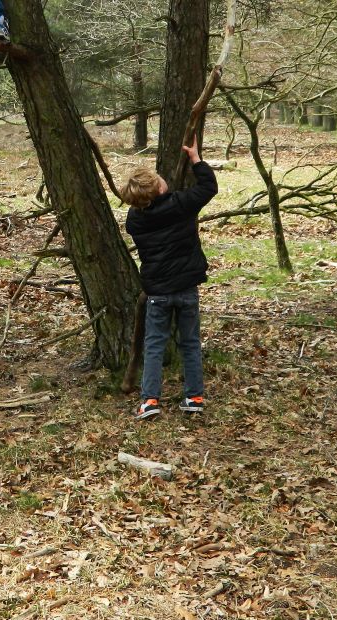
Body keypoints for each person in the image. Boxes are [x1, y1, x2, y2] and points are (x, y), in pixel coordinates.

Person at [121, 140, 218, 419]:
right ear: (161, 188)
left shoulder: (135, 221)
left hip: (158, 292)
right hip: (186, 288)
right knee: (189, 342)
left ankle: (150, 400)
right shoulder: (180, 205)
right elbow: (208, 188)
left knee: (154, 345)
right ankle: (194, 396)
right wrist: (196, 159)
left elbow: (149, 207)